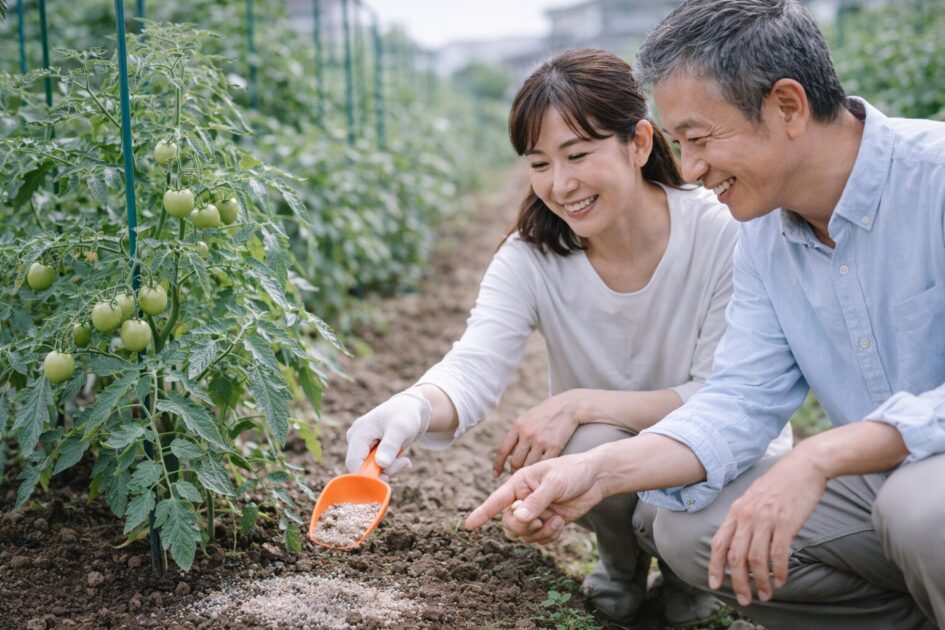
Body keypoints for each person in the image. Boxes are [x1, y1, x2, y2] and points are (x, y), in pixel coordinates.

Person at [466, 1, 945, 628]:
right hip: (883, 486)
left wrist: (819, 456)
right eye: (678, 144)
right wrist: (595, 472)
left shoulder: (933, 180)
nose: (689, 169)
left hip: (919, 491)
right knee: (694, 533)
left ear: (788, 106)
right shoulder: (765, 234)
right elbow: (739, 399)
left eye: (698, 139)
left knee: (920, 508)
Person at [344, 48, 792, 625]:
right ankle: (620, 566)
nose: (560, 184)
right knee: (589, 443)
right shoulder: (532, 257)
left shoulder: (720, 234)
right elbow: (475, 366)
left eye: (578, 154)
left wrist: (577, 401)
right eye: (538, 163)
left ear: (638, 143)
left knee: (640, 483)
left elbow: (722, 397)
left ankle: (687, 574)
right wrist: (408, 409)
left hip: (727, 456)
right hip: (609, 460)